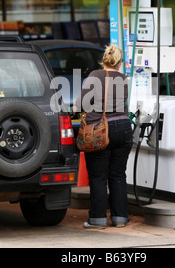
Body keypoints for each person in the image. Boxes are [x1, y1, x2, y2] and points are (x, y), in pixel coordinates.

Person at [72, 44, 131, 229]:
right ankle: (120, 217)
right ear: (120, 63)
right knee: (118, 175)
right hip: (123, 128)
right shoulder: (123, 79)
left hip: (99, 130)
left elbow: (79, 105)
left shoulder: (95, 76)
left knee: (98, 177)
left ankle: (97, 219)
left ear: (103, 59)